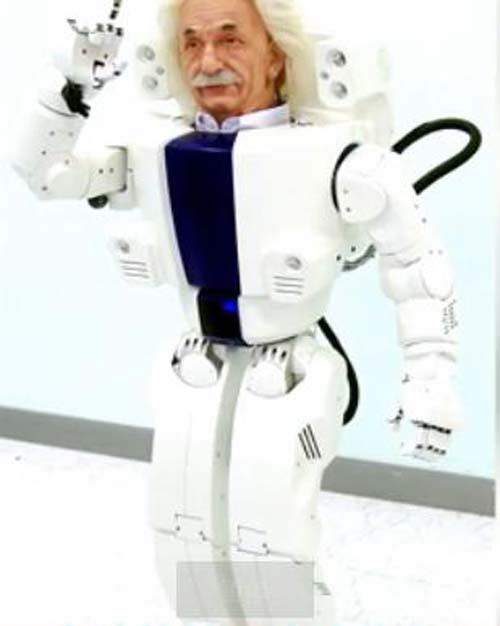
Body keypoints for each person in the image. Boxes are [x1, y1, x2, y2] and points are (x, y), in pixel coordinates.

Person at [10, 0, 472, 623]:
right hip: (194, 364)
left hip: (288, 373)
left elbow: (418, 266)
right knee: (182, 524)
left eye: (231, 39)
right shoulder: (153, 150)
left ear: (276, 55)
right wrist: (67, 86)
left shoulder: (336, 157)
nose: (208, 61)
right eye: (191, 42)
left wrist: (430, 378)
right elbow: (46, 174)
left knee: (271, 533)